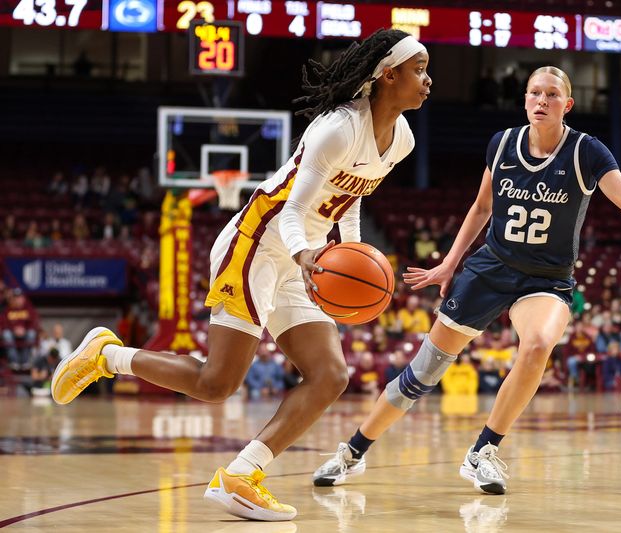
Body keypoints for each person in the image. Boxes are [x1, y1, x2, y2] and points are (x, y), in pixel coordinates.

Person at [49, 29, 432, 521]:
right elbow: (291, 210)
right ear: (388, 74)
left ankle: (241, 475)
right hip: (257, 243)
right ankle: (108, 356)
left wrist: (351, 252)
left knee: (330, 374)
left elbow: (351, 198)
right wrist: (306, 255)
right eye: (418, 68)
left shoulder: (401, 138)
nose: (428, 79)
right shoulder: (337, 128)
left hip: (305, 256)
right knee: (216, 383)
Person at [312, 65, 621, 494]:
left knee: (538, 343)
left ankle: (484, 450)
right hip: (491, 267)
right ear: (524, 100)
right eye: (535, 93)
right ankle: (352, 452)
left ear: (567, 105)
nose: (542, 100)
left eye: (552, 95)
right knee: (421, 374)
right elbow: (481, 208)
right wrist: (449, 263)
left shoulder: (586, 153)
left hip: (547, 278)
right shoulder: (502, 144)